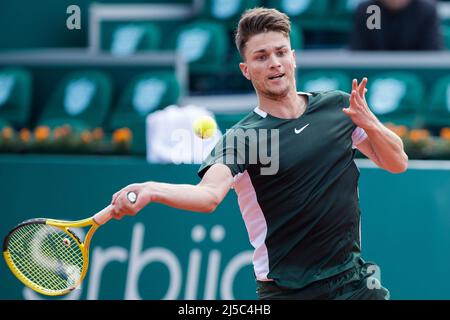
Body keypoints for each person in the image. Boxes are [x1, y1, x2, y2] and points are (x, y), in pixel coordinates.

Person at [111, 8, 408, 300]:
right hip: (289, 291)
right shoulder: (242, 138)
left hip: (353, 282)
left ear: (293, 57)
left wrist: (369, 122)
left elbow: (397, 162)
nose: (274, 63)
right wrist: (151, 190)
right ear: (246, 69)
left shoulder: (339, 108)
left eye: (281, 52)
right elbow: (208, 196)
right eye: (261, 57)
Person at [351, 0, 444, 51]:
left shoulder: (427, 10)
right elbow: (358, 51)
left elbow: (432, 52)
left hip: (416, 76)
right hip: (371, 76)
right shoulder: (367, 10)